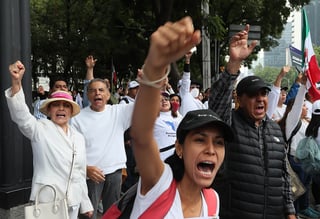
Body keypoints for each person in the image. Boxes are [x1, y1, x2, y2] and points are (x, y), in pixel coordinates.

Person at [129, 16, 234, 218]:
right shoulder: (159, 184)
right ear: (179, 148)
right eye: (200, 140)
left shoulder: (212, 201)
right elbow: (141, 136)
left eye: (219, 142)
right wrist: (155, 67)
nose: (211, 150)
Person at [208, 25, 297, 218]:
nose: (260, 99)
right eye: (252, 95)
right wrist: (234, 63)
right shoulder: (228, 125)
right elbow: (216, 102)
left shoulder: (274, 130)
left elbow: (283, 175)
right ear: (239, 99)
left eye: (263, 94)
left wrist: (290, 212)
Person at [5, 61, 93, 219]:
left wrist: (85, 203)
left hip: (72, 202)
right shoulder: (40, 128)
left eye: (66, 106)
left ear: (71, 111)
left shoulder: (78, 137)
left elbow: (79, 173)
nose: (61, 108)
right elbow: (22, 117)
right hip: (47, 202)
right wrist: (16, 82)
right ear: (49, 110)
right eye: (56, 105)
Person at [72, 77, 134, 219]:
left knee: (112, 212)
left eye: (101, 90)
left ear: (107, 95)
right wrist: (86, 168)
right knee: (88, 213)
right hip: (91, 174)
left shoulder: (119, 112)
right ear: (88, 95)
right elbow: (72, 149)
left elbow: (143, 103)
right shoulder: (77, 118)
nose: (97, 93)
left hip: (115, 171)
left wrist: (148, 81)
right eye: (93, 91)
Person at [155, 91, 182, 161]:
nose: (164, 101)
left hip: (179, 158)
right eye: (160, 100)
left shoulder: (179, 117)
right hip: (161, 159)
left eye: (166, 99)